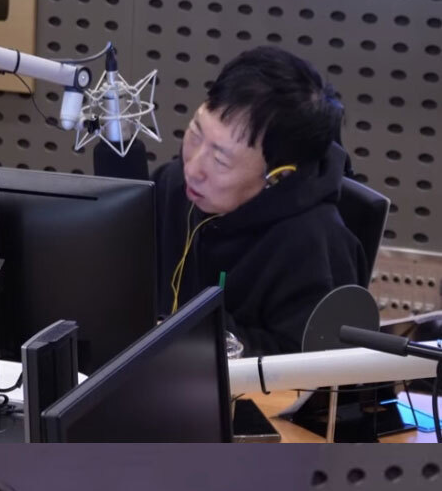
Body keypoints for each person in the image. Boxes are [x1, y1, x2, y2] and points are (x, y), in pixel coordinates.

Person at [100, 46, 367, 356]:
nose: (193, 169)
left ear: (277, 176)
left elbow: (308, 368)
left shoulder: (315, 244)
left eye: (221, 161)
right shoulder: (173, 184)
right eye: (196, 134)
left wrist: (205, 340)